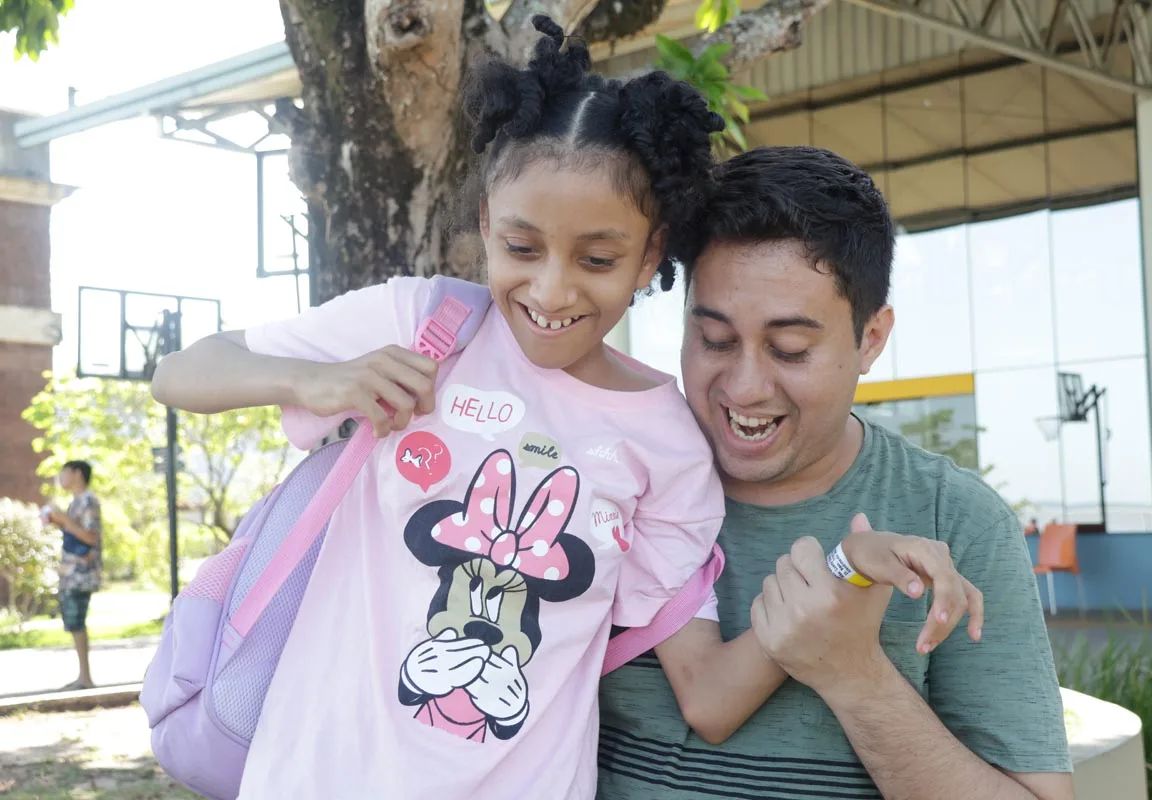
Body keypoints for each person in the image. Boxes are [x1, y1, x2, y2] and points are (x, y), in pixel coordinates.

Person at [151, 20, 978, 800]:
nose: (551, 290)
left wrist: (847, 566)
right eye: (520, 248)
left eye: (597, 257)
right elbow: (184, 373)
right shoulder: (420, 325)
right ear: (484, 225)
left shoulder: (669, 445)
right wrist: (314, 382)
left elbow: (711, 699)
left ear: (652, 254)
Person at [596, 146, 1074, 800]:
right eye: (714, 339)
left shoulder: (954, 519)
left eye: (790, 349)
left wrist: (855, 675)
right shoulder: (610, 473)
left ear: (871, 339)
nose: (743, 385)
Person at [45, 459, 102, 691]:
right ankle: (83, 676)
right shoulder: (75, 502)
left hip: (82, 573)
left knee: (77, 622)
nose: (61, 477)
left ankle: (85, 678)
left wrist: (64, 521)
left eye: (64, 472)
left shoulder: (88, 501)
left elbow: (90, 537)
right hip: (71, 572)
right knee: (73, 623)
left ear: (78, 473)